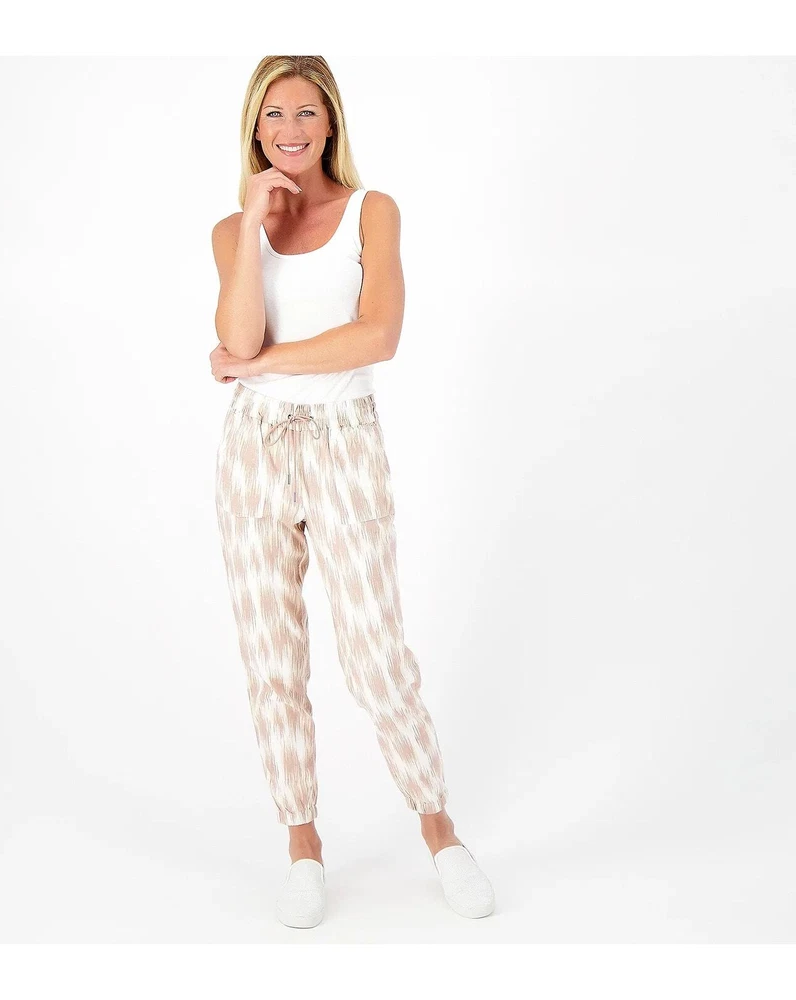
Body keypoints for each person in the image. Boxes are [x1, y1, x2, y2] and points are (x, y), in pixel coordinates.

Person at [208, 56, 495, 927]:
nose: (289, 130)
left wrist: (261, 364)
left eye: (306, 112)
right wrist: (252, 227)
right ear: (254, 128)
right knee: (272, 660)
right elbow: (236, 337)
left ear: (331, 121)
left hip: (343, 443)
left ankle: (441, 832)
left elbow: (377, 337)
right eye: (273, 115)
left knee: (375, 653)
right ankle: (303, 848)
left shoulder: (374, 210)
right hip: (254, 451)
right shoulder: (232, 228)